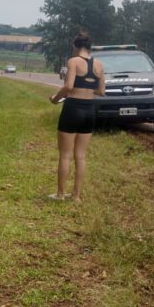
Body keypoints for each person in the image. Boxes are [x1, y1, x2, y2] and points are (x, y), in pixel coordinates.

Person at [49, 31, 106, 201]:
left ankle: (60, 194)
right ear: (89, 47)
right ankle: (76, 196)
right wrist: (87, 88)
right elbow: (101, 91)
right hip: (89, 110)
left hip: (73, 109)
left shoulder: (73, 61)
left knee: (65, 154)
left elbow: (68, 87)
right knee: (80, 155)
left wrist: (55, 99)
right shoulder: (99, 65)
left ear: (75, 46)